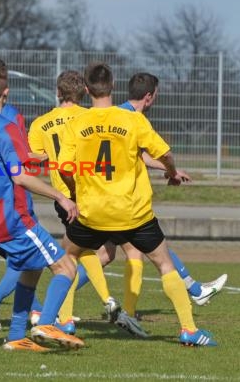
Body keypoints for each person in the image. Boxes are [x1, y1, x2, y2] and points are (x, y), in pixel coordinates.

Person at [58, 61, 217, 346]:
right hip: (133, 213)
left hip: (92, 212)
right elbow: (165, 153)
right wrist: (170, 172)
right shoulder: (132, 120)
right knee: (165, 264)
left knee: (67, 257)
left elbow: (65, 169)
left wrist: (74, 195)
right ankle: (189, 330)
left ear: (86, 88)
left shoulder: (76, 123)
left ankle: (65, 321)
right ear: (113, 85)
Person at [0, 59, 84, 352]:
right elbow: (20, 175)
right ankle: (46, 324)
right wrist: (60, 196)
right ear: (5, 93)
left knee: (30, 269)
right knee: (67, 268)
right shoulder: (5, 126)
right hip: (12, 217)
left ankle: (16, 337)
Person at [114, 72, 228, 308]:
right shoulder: (137, 120)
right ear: (149, 96)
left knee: (109, 254)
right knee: (152, 252)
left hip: (105, 198)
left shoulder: (115, 114)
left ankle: (58, 312)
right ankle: (192, 305)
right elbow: (165, 153)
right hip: (125, 200)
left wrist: (168, 170)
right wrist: (171, 170)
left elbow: (140, 156)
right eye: (156, 94)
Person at [27, 70, 125, 335]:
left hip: (62, 193)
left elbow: (35, 158)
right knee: (85, 251)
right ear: (84, 92)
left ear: (58, 92)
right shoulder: (88, 116)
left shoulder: (41, 123)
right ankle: (92, 305)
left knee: (83, 250)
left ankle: (70, 314)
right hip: (90, 190)